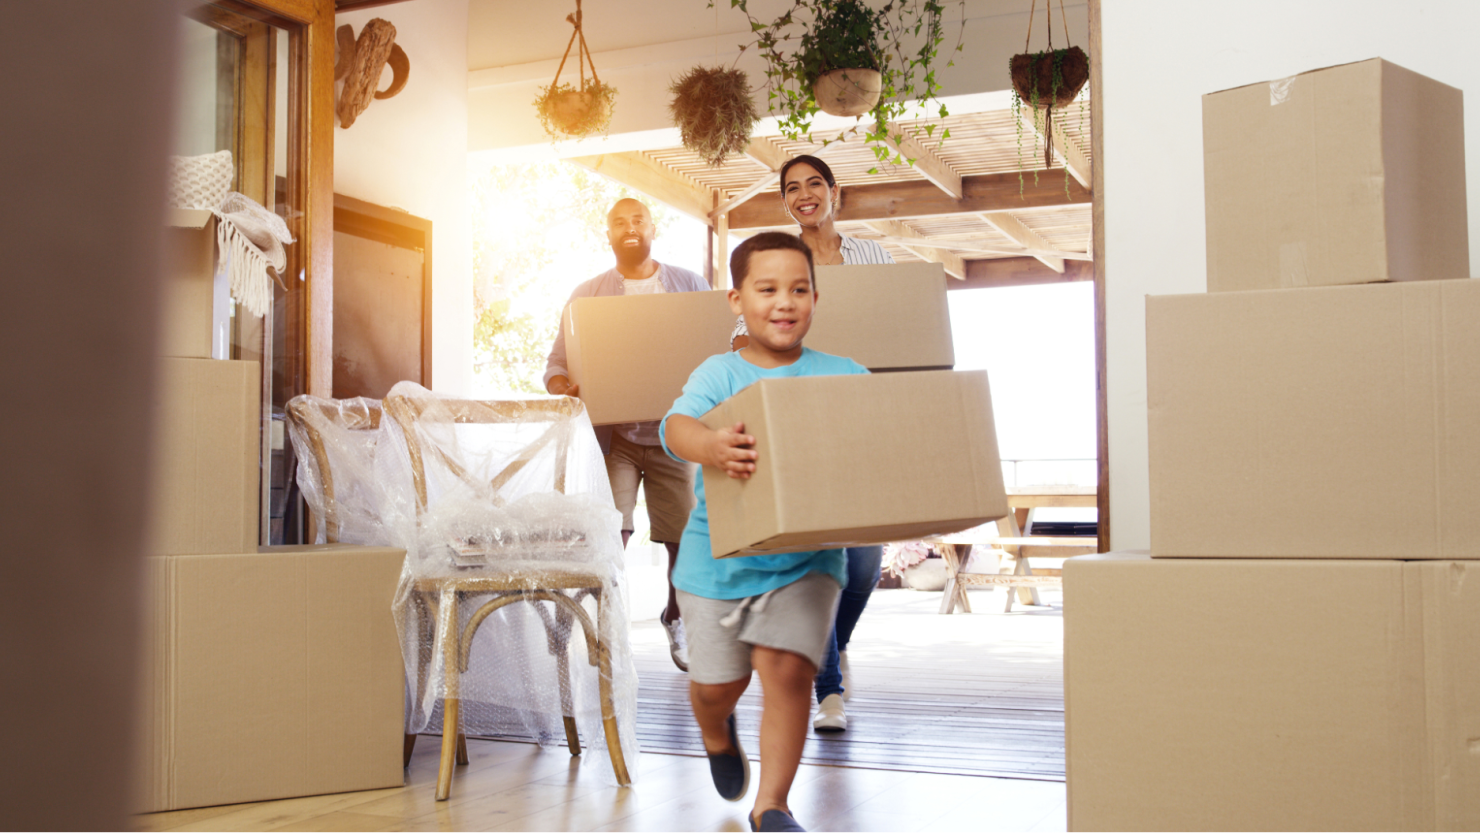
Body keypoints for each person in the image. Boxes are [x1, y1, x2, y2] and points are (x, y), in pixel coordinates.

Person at [661, 231, 867, 833]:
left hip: (808, 558)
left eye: (798, 289)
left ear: (815, 298)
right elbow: (677, 428)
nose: (785, 302)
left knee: (787, 670)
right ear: (736, 300)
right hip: (717, 559)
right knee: (717, 688)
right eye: (768, 289)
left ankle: (770, 806)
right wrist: (712, 446)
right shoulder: (720, 373)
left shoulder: (844, 374)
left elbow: (879, 433)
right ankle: (715, 731)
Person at [730, 154, 891, 733]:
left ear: (833, 192)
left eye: (814, 184)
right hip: (798, 421)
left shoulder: (872, 255)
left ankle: (832, 645)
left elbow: (897, 323)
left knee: (866, 564)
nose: (804, 195)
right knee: (820, 561)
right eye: (792, 188)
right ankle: (829, 693)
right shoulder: (779, 259)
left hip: (857, 418)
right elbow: (742, 333)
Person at [544, 197, 709, 671]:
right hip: (615, 438)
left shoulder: (689, 286)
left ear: (653, 228)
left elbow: (717, 347)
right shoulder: (586, 295)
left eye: (638, 220)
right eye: (620, 222)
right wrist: (562, 385)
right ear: (609, 234)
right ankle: (600, 623)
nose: (629, 227)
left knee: (683, 539)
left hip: (672, 433)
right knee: (610, 534)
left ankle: (676, 617)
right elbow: (557, 362)